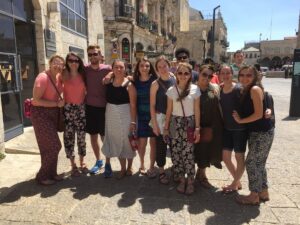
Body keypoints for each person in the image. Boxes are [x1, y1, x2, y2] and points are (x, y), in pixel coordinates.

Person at [233, 65, 274, 205]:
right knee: (259, 163)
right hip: (258, 132)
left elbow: (258, 114)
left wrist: (241, 120)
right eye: (242, 75)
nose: (245, 78)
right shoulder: (247, 89)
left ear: (254, 76)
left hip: (262, 132)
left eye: (248, 75)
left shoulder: (254, 89)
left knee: (251, 162)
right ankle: (263, 191)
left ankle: (254, 195)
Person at [164, 62, 201, 195]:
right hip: (175, 122)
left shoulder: (195, 89)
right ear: (176, 74)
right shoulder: (171, 91)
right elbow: (169, 110)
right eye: (180, 73)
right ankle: (181, 179)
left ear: (190, 75)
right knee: (176, 152)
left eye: (186, 73)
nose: (183, 76)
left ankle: (190, 180)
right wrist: (166, 128)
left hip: (189, 123)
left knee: (188, 152)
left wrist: (197, 128)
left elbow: (197, 110)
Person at [31, 55, 65, 185]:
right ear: (50, 63)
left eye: (61, 64)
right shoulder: (43, 78)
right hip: (40, 114)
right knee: (54, 145)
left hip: (52, 114)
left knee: (49, 146)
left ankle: (52, 174)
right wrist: (56, 104)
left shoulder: (58, 77)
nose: (58, 65)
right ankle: (42, 176)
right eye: (55, 63)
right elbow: (36, 100)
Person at [101, 60, 137, 179]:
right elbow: (103, 81)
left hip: (126, 113)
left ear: (125, 69)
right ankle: (122, 168)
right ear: (112, 69)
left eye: (121, 67)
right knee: (117, 140)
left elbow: (133, 104)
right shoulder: (109, 81)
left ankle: (130, 167)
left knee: (127, 139)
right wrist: (109, 75)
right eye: (116, 67)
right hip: (111, 114)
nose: (119, 69)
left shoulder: (129, 85)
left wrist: (133, 121)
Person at [219, 65, 247, 193]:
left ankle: (234, 183)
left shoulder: (239, 89)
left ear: (232, 74)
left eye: (227, 73)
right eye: (223, 73)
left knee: (239, 157)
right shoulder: (220, 89)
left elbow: (251, 103)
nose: (225, 75)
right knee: (225, 157)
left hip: (239, 129)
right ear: (219, 75)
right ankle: (237, 182)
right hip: (226, 129)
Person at [194, 64, 223, 188]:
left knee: (206, 150)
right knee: (195, 151)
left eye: (210, 75)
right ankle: (195, 174)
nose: (207, 77)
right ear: (199, 73)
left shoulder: (214, 88)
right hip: (194, 126)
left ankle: (202, 174)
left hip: (210, 126)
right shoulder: (192, 88)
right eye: (204, 74)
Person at [85, 45, 111, 174]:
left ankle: (107, 163)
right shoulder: (85, 69)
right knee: (93, 136)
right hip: (89, 107)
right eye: (90, 54)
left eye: (95, 54)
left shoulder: (107, 69)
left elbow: (120, 72)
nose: (92, 57)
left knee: (104, 137)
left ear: (100, 55)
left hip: (104, 108)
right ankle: (98, 161)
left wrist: (110, 74)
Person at [150, 55, 176, 184]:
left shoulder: (175, 79)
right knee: (160, 146)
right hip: (160, 118)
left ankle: (176, 169)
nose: (162, 69)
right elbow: (152, 106)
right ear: (156, 69)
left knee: (174, 145)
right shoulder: (155, 84)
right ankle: (161, 171)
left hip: (174, 118)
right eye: (159, 67)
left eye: (164, 66)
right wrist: (154, 124)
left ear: (169, 65)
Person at [62, 52, 87, 177]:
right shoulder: (62, 75)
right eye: (71, 60)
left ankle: (82, 162)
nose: (73, 63)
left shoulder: (83, 74)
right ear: (67, 62)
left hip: (81, 108)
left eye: (76, 60)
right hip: (68, 109)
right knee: (69, 138)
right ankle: (73, 165)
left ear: (79, 62)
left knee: (82, 138)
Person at [133, 57, 158, 177]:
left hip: (154, 117)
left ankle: (152, 166)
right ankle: (142, 164)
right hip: (141, 117)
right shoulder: (134, 81)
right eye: (142, 65)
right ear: (138, 67)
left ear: (150, 67)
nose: (144, 68)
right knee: (142, 143)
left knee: (153, 143)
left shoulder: (155, 80)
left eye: (147, 66)